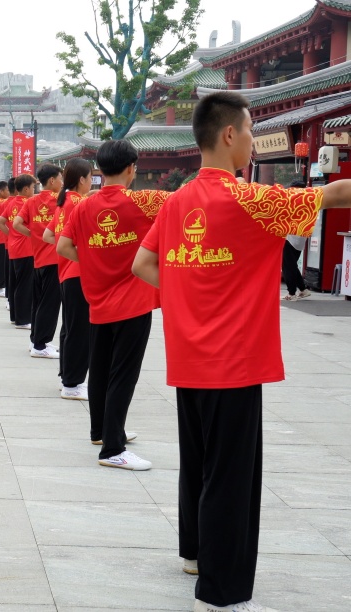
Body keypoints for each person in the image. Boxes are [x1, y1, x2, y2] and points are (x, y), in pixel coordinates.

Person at [130, 91, 351, 612]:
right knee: (231, 476)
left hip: (189, 357)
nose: (253, 141)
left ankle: (194, 555)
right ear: (230, 134)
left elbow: (142, 264)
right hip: (233, 361)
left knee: (199, 462)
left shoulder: (177, 200)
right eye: (251, 131)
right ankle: (221, 592)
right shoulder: (253, 199)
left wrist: (188, 296)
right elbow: (338, 192)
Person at [59, 142, 168, 471]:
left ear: (99, 170)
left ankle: (103, 432)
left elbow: (63, 246)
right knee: (123, 374)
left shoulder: (83, 207)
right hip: (133, 300)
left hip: (99, 299)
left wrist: (94, 261)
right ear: (131, 168)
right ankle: (113, 449)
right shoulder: (145, 201)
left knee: (101, 369)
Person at [44, 159, 93, 401]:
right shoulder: (80, 203)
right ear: (82, 180)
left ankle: (67, 376)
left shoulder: (62, 204)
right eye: (91, 177)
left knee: (70, 328)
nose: (91, 182)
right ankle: (72, 383)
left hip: (66, 272)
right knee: (79, 331)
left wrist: (67, 250)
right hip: (78, 273)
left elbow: (48, 235)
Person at [16, 164, 63, 359]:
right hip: (54, 257)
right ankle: (40, 345)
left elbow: (17, 224)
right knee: (49, 303)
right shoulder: (60, 200)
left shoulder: (31, 201)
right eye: (60, 178)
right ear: (52, 180)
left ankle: (35, 339)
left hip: (38, 258)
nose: (62, 182)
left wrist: (34, 236)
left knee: (39, 302)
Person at [4, 175, 36, 329]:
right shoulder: (28, 203)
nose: (34, 190)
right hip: (25, 248)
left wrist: (11, 234)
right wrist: (30, 234)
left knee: (16, 283)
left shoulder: (10, 203)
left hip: (13, 247)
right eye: (33, 187)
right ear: (26, 189)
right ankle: (22, 320)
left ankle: (15, 316)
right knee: (25, 285)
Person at [281, 180, 312, 301]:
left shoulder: (295, 201)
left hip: (290, 238)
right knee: (292, 265)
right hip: (300, 239)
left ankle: (292, 293)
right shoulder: (308, 201)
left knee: (288, 266)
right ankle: (303, 289)